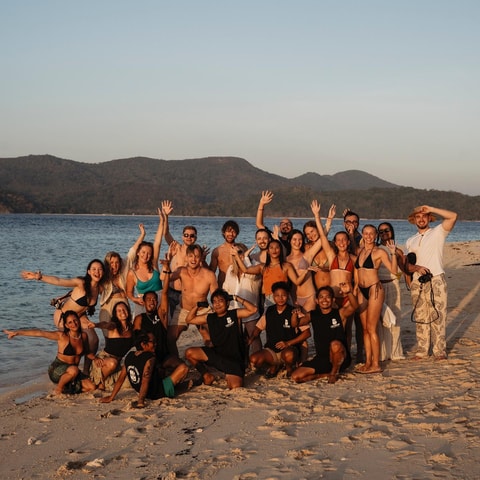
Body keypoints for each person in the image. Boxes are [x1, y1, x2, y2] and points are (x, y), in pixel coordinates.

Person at [21, 259, 105, 374]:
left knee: (93, 340)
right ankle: (62, 371)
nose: (97, 272)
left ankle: (86, 371)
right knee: (69, 345)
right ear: (89, 272)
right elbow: (59, 281)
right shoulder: (81, 283)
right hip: (63, 316)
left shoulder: (99, 288)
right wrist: (39, 277)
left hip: (79, 317)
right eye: (94, 269)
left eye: (100, 269)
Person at [405, 205, 457, 360]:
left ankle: (439, 350)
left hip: (436, 279)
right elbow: (408, 265)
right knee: (421, 317)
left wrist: (431, 208)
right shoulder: (410, 241)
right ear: (414, 219)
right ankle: (422, 350)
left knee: (438, 316)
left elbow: (453, 216)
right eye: (418, 217)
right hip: (417, 282)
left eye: (424, 216)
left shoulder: (438, 232)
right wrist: (411, 279)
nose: (421, 219)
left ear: (429, 218)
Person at [4, 311, 96, 395]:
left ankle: (67, 388)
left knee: (91, 387)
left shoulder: (84, 336)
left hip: (72, 371)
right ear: (66, 325)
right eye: (70, 322)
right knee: (74, 370)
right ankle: (58, 389)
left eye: (75, 320)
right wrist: (17, 333)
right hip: (57, 369)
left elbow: (87, 352)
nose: (74, 324)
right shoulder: (62, 336)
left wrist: (96, 359)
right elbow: (40, 333)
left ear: (79, 321)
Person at [185, 289, 258, 389]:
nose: (217, 304)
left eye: (220, 301)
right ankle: (206, 375)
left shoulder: (234, 314)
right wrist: (197, 306)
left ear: (227, 303)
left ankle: (228, 374)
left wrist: (236, 298)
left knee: (235, 386)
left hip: (233, 360)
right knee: (189, 353)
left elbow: (253, 309)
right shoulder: (210, 317)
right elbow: (189, 319)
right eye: (214, 301)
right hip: (217, 355)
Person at [100, 331, 189, 408]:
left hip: (141, 391)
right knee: (184, 368)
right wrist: (140, 402)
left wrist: (111, 397)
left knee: (166, 369)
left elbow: (121, 379)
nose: (155, 344)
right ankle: (179, 386)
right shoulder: (150, 358)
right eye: (153, 342)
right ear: (143, 344)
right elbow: (145, 380)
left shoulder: (129, 356)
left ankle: (180, 385)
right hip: (157, 392)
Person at [291, 284, 358, 384]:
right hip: (322, 358)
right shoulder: (312, 315)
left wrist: (349, 293)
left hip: (340, 357)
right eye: (321, 297)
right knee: (296, 376)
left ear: (333, 300)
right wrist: (294, 314)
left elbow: (354, 306)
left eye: (327, 297)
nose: (324, 300)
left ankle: (334, 373)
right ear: (317, 301)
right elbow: (295, 324)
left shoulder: (340, 313)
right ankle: (323, 375)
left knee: (335, 344)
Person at [354, 224, 398, 374]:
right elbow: (357, 270)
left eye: (371, 233)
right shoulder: (360, 251)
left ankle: (376, 364)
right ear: (362, 234)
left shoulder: (379, 252)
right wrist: (355, 286)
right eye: (365, 233)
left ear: (375, 235)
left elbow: (394, 270)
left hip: (374, 289)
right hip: (361, 291)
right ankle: (368, 362)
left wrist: (393, 253)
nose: (368, 236)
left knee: (372, 328)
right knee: (365, 329)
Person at [248, 282, 311, 378]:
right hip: (272, 349)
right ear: (273, 296)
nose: (280, 298)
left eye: (283, 295)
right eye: (277, 295)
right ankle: (274, 365)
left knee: (289, 354)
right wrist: (251, 339)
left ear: (288, 295)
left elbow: (307, 333)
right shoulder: (269, 311)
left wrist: (288, 343)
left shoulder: (294, 311)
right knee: (254, 359)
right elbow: (258, 328)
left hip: (289, 349)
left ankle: (289, 368)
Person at [232, 239, 313, 310]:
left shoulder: (286, 266)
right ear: (268, 251)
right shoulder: (262, 267)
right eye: (271, 248)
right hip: (269, 299)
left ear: (280, 250)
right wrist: (236, 256)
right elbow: (245, 270)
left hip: (284, 298)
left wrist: (306, 272)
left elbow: (297, 281)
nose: (274, 250)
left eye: (277, 247)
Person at [168, 244, 218, 356]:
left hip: (202, 310)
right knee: (170, 338)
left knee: (213, 337)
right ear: (186, 257)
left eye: (196, 256)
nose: (193, 259)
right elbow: (164, 278)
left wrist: (217, 316)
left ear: (201, 258)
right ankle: (176, 361)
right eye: (190, 256)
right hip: (183, 310)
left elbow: (216, 298)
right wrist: (168, 261)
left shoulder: (209, 275)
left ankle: (209, 358)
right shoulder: (181, 271)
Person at [99, 224, 146, 328]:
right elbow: (90, 286)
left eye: (117, 262)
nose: (115, 265)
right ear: (107, 264)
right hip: (108, 306)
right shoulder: (103, 275)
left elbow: (132, 251)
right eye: (111, 263)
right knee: (109, 333)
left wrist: (142, 235)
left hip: (124, 303)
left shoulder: (124, 266)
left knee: (126, 331)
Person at [222, 245, 263, 357]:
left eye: (240, 252)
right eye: (235, 253)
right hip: (234, 309)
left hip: (250, 310)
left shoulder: (254, 266)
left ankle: (258, 360)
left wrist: (245, 259)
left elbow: (251, 276)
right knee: (237, 339)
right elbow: (226, 288)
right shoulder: (231, 269)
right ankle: (242, 360)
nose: (237, 255)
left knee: (254, 338)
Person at [126, 208, 165, 316]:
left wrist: (162, 220)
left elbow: (157, 242)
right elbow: (129, 292)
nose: (146, 255)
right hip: (142, 303)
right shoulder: (132, 272)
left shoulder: (153, 264)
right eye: (143, 252)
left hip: (160, 301)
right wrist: (135, 299)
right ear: (138, 253)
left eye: (149, 253)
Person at [376, 222, 405, 361]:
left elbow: (403, 269)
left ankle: (394, 352)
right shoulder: (376, 249)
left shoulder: (398, 251)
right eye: (381, 231)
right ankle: (382, 353)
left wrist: (409, 283)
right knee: (381, 320)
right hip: (379, 286)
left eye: (386, 230)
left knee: (395, 318)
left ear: (392, 231)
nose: (384, 233)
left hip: (393, 285)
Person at [90, 301, 134, 391]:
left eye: (124, 309)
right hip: (104, 361)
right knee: (112, 363)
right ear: (115, 314)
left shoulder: (131, 328)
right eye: (119, 311)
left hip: (117, 364)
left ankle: (107, 381)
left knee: (130, 382)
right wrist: (96, 325)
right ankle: (100, 383)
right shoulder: (113, 326)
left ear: (128, 311)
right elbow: (105, 324)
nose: (122, 312)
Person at [209, 220, 247, 288]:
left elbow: (248, 268)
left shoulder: (242, 249)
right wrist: (202, 261)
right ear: (224, 232)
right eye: (228, 231)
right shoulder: (217, 251)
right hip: (222, 287)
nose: (231, 234)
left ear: (237, 234)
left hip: (238, 287)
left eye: (233, 232)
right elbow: (211, 272)